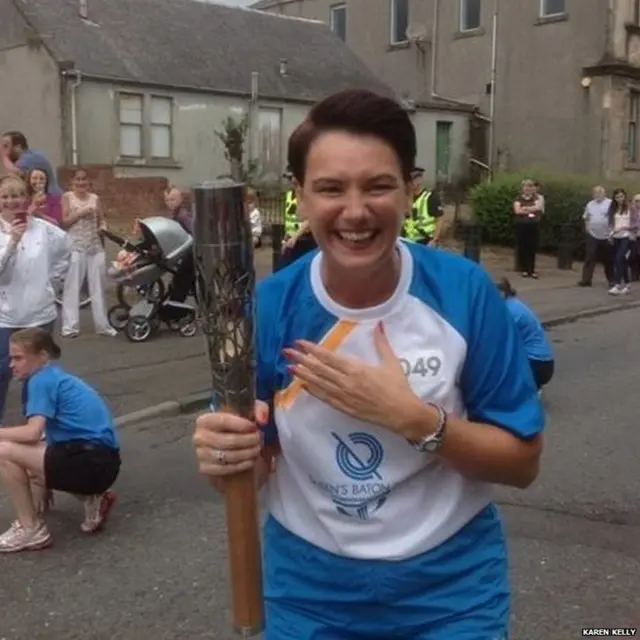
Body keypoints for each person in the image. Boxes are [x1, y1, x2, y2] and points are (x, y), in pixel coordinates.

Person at [193, 89, 544, 639]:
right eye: (330, 189)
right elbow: (249, 469)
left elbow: (522, 463)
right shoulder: (270, 307)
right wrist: (226, 455)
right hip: (311, 591)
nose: (355, 211)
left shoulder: (464, 294)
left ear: (409, 189)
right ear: (300, 197)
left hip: (449, 591)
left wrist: (413, 420)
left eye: (378, 185)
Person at [0, 328, 120, 553]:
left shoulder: (40, 381)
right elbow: (40, 439)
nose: (11, 365)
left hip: (89, 460)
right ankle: (93, 498)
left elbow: (32, 433)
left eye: (18, 358)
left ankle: (31, 529)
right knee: (21, 457)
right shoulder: (53, 376)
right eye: (11, 358)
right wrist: (40, 479)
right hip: (102, 461)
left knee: (3, 451)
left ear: (42, 356)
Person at [0, 175, 70, 422]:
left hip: (39, 315)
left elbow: (65, 249)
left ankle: (33, 431)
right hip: (6, 317)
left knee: (36, 378)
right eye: (5, 196)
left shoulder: (44, 229)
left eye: (17, 195)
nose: (12, 201)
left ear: (26, 199)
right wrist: (12, 242)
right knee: (2, 373)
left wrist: (53, 280)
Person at [60, 167, 116, 337]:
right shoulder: (67, 197)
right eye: (77, 179)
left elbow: (102, 219)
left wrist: (103, 227)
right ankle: (70, 327)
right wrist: (81, 213)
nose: (81, 182)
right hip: (76, 246)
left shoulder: (95, 198)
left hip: (95, 247)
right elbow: (64, 223)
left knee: (98, 287)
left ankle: (102, 325)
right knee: (72, 287)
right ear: (72, 182)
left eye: (84, 179)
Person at [496, 278, 554, 391]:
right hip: (541, 363)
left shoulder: (509, 311)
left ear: (502, 293)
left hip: (537, 364)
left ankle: (526, 391)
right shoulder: (512, 303)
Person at [1, 131, 62, 195]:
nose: (3, 150)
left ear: (18, 147)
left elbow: (11, 178)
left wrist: (4, 157)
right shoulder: (34, 154)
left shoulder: (27, 160)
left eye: (5, 146)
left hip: (49, 199)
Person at [578, 185, 613, 288]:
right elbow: (586, 217)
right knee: (590, 257)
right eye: (595, 193)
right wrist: (587, 228)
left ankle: (612, 280)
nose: (597, 195)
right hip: (592, 234)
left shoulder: (610, 203)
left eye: (599, 192)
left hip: (607, 235)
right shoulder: (590, 204)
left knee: (608, 259)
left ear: (604, 193)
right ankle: (586, 280)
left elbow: (614, 217)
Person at [401, 166, 444, 245]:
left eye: (412, 179)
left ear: (419, 180)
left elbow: (439, 219)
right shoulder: (405, 198)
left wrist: (435, 239)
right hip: (408, 240)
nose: (409, 183)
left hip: (425, 241)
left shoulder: (430, 197)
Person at [607, 188, 638, 296]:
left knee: (619, 258)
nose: (619, 199)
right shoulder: (613, 209)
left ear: (625, 197)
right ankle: (628, 284)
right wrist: (611, 232)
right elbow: (610, 223)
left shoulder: (631, 208)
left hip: (627, 237)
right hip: (616, 237)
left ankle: (617, 284)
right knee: (622, 260)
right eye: (617, 197)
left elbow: (635, 224)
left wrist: (625, 227)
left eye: (621, 196)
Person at [513, 178, 544, 279]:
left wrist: (525, 208)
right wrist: (531, 209)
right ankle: (524, 269)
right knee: (522, 246)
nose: (528, 189)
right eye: (526, 187)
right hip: (521, 225)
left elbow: (538, 208)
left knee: (532, 247)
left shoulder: (537, 198)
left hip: (533, 225)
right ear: (523, 188)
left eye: (530, 187)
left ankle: (532, 270)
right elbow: (517, 211)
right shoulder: (518, 198)